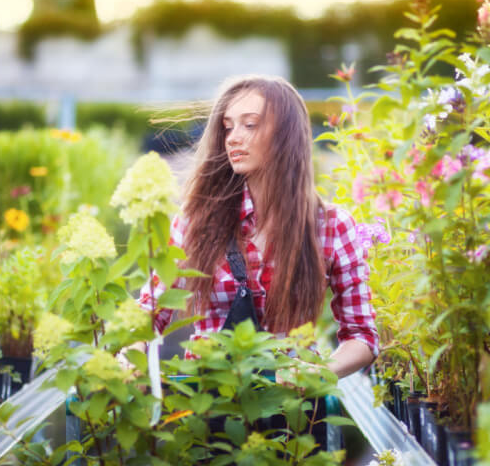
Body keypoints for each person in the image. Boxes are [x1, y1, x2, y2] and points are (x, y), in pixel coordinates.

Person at [136, 74, 378, 379]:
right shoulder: (197, 221)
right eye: (228, 127)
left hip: (294, 406)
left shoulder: (331, 226)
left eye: (249, 125)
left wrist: (315, 372)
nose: (233, 137)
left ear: (285, 134)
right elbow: (150, 308)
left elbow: (362, 336)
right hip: (209, 400)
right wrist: (130, 355)